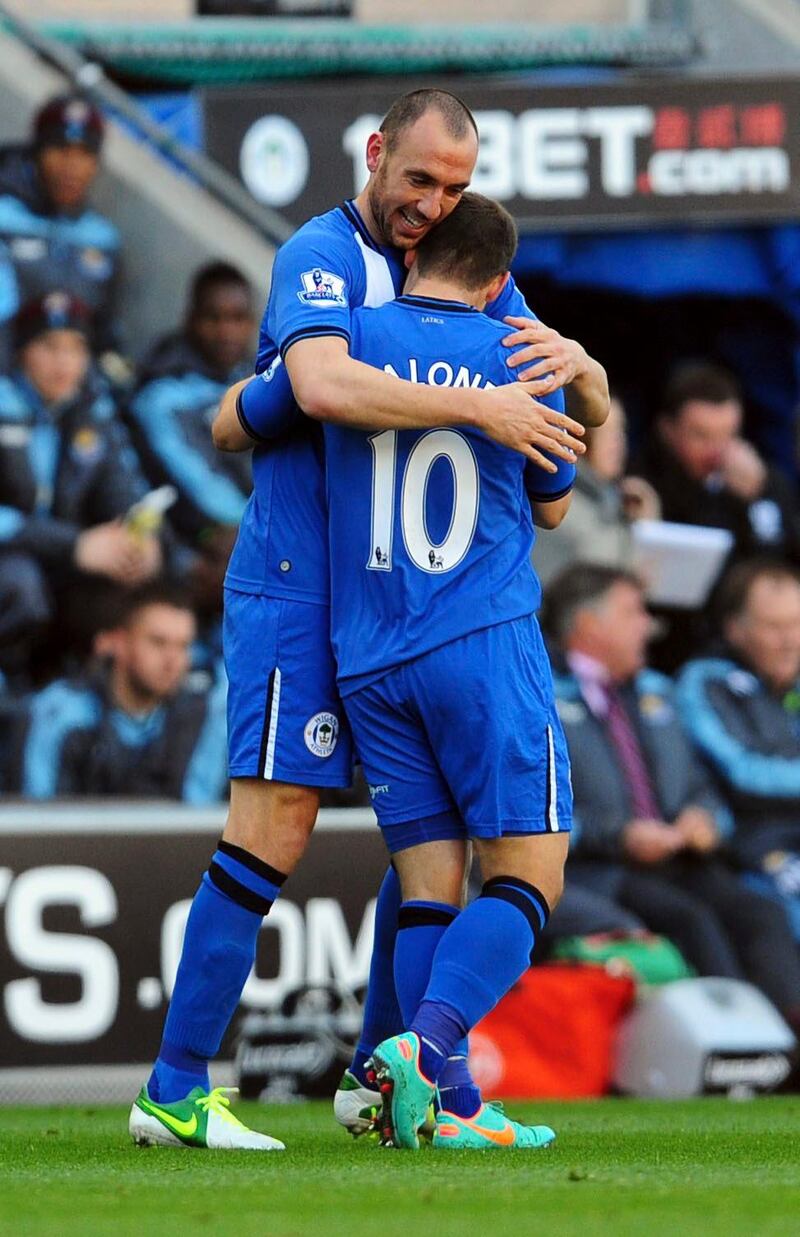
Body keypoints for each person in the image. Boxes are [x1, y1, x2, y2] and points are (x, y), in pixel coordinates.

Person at [130, 88, 606, 1153]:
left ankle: (383, 1080)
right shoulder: (320, 250)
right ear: (375, 152)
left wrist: (595, 377)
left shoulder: (465, 271)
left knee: (423, 845)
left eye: (453, 188)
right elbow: (318, 383)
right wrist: (477, 404)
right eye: (418, 180)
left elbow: (556, 388)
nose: (430, 205)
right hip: (299, 590)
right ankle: (172, 1083)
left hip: (385, 610)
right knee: (276, 828)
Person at [239, 192, 576, 1150]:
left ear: (417, 252)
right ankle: (422, 1048)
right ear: (502, 281)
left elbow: (262, 411)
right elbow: (553, 505)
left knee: (432, 882)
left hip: (371, 658)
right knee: (528, 875)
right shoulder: (518, 355)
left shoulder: (348, 342)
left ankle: (447, 1108)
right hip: (479, 641)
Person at [543, 562, 800, 1031]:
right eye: (633, 612)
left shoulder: (656, 692)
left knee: (758, 912)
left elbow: (703, 786)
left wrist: (705, 818)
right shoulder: (542, 698)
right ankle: (738, 1044)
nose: (649, 624)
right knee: (690, 919)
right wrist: (618, 835)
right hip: (600, 870)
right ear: (588, 625)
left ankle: (787, 1039)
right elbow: (532, 804)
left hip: (680, 861)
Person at [0, 292, 160, 684]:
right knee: (22, 586)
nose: (64, 363)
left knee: (137, 594)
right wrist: (73, 545)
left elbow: (124, 489)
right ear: (21, 351)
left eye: (77, 349)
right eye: (50, 347)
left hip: (59, 560)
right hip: (17, 557)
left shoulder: (90, 410)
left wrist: (144, 540)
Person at [9, 583, 227, 802]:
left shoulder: (202, 716)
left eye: (183, 646)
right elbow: (40, 820)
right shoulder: (61, 713)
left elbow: (197, 822)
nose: (173, 660)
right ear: (119, 643)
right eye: (158, 642)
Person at [677, 559, 800, 939]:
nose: (790, 639)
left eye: (797, 623)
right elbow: (742, 771)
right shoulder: (704, 680)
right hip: (748, 841)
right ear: (735, 630)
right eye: (774, 627)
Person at [127, 262, 255, 608]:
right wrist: (252, 530)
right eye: (214, 318)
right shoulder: (162, 396)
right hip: (192, 537)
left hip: (252, 530)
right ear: (191, 319)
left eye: (238, 318)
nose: (227, 331)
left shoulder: (262, 379)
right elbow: (196, 483)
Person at [633, 362, 800, 563]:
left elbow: (781, 563)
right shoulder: (643, 484)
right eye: (702, 436)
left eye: (729, 435)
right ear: (667, 430)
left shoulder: (767, 482)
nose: (717, 451)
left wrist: (758, 499)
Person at [0, 94, 121, 366]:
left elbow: (103, 330)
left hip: (71, 391)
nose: (71, 166)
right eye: (60, 150)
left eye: (84, 154)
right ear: (37, 152)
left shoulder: (102, 238)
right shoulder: (4, 216)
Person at [534, 392, 661, 587]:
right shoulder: (557, 498)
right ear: (575, 435)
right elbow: (609, 570)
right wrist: (642, 529)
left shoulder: (610, 498)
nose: (618, 443)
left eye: (621, 430)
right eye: (606, 432)